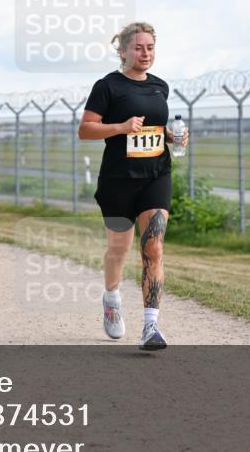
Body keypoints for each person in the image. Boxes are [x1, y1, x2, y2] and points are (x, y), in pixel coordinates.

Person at [78, 21, 187, 351]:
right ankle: (111, 297)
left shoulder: (160, 87)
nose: (145, 53)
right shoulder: (108, 86)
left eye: (150, 47)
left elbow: (155, 128)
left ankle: (151, 326)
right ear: (122, 50)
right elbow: (86, 129)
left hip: (156, 174)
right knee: (119, 250)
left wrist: (171, 136)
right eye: (138, 47)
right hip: (117, 181)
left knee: (153, 248)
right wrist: (121, 127)